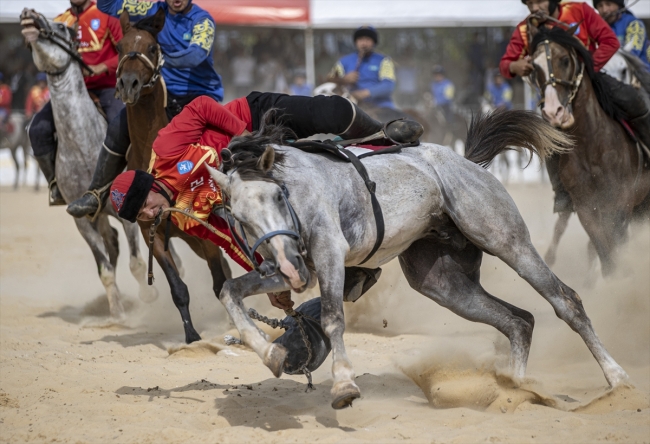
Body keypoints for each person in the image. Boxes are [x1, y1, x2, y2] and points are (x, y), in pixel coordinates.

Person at [108, 93, 422, 309]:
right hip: (259, 180)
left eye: (145, 207)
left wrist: (244, 136)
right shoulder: (182, 218)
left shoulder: (166, 149)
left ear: (149, 187)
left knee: (333, 112)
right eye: (142, 218)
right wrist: (270, 276)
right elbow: (232, 241)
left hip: (255, 118)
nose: (149, 215)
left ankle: (383, 136)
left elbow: (203, 106)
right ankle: (361, 265)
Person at [67, 0, 225, 218]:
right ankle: (95, 194)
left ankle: (221, 202)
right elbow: (106, 6)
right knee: (117, 127)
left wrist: (159, 56)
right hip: (163, 93)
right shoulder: (152, 8)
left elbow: (196, 56)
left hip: (199, 96)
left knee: (212, 143)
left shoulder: (202, 21)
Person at [501, 0, 650, 213]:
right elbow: (506, 63)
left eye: (539, 1)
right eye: (530, 3)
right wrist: (514, 65)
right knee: (547, 133)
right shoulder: (525, 29)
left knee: (633, 101)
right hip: (555, 93)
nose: (534, 8)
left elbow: (609, 42)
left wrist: (588, 67)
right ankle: (562, 192)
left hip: (592, 78)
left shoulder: (579, 10)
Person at [27, 0, 124, 206]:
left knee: (121, 126)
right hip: (69, 94)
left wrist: (102, 67)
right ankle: (56, 185)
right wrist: (33, 39)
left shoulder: (108, 14)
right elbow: (45, 53)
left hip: (106, 88)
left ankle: (130, 181)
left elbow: (127, 52)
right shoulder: (61, 21)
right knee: (37, 129)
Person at [327, 26, 399, 118]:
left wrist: (364, 93)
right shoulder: (344, 61)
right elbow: (329, 81)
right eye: (360, 39)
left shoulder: (383, 60)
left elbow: (388, 85)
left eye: (368, 39)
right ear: (355, 42)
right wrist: (344, 80)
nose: (364, 43)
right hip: (352, 106)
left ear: (374, 42)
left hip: (381, 107)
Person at [593, 0, 650, 69]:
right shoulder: (596, 28)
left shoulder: (634, 24)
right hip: (609, 73)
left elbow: (632, 54)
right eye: (600, 6)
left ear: (619, 5)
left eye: (608, 4)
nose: (604, 10)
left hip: (639, 74)